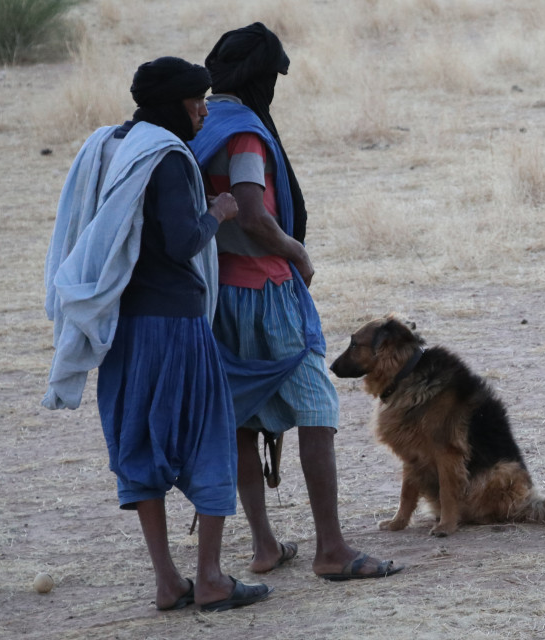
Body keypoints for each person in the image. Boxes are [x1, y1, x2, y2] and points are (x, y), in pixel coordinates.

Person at [44, 57, 272, 611]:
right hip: (175, 328)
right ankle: (212, 578)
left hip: (125, 327)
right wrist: (217, 212)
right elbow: (179, 243)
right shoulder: (167, 159)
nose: (203, 111)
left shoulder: (111, 143)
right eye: (197, 100)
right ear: (176, 103)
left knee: (139, 441)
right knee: (209, 435)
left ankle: (168, 581)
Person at [189, 23, 401, 580]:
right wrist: (297, 253)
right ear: (262, 80)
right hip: (266, 293)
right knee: (317, 409)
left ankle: (264, 545)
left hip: (216, 296)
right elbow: (255, 214)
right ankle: (330, 549)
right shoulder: (244, 136)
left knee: (238, 419)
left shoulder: (194, 126)